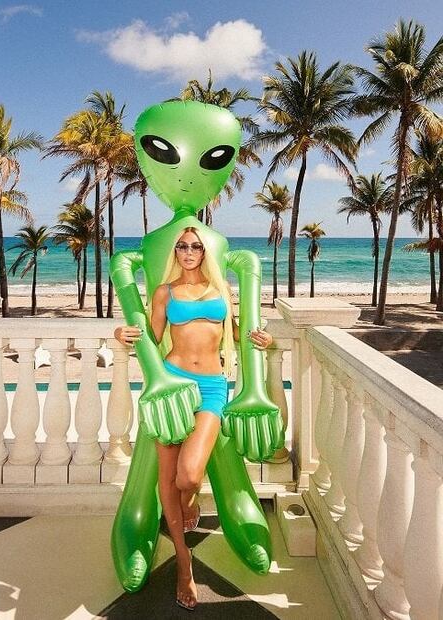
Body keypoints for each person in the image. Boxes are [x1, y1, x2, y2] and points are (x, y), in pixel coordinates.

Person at [114, 226, 273, 610]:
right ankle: (183, 562)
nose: (188, 251)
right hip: (173, 384)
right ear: (176, 252)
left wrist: (264, 340)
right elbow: (152, 338)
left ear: (204, 252)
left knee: (188, 477)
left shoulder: (221, 290)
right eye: (182, 246)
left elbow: (236, 333)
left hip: (213, 387)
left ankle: (188, 504)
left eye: (196, 246)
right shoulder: (165, 292)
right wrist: (121, 333)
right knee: (168, 474)